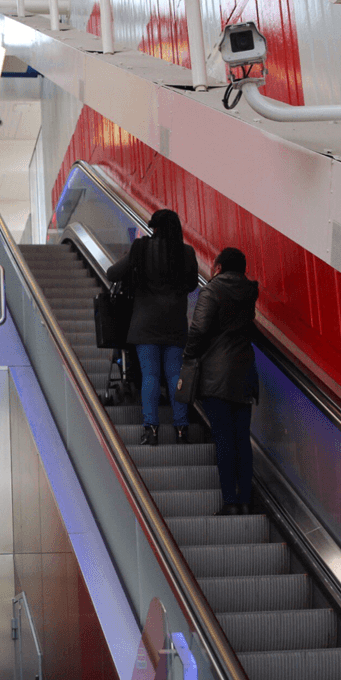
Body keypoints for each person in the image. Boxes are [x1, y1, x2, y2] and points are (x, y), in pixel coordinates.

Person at [107, 209, 199, 446]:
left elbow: (112, 273)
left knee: (150, 375)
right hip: (175, 325)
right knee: (174, 375)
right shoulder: (186, 253)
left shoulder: (141, 248)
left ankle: (151, 429)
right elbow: (191, 285)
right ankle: (181, 429)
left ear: (155, 228)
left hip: (145, 324)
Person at [184, 247, 259, 516]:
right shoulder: (249, 293)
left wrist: (188, 357)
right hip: (244, 374)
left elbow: (199, 329)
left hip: (216, 377)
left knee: (224, 439)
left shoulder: (212, 290)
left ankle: (230, 501)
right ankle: (246, 500)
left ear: (217, 268)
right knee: (242, 439)